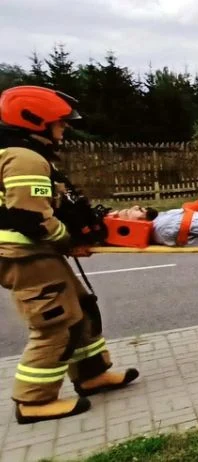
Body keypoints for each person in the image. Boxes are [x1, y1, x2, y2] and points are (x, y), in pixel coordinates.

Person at [0, 85, 138, 424]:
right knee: (54, 323)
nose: (65, 129)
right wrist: (68, 240)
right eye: (60, 123)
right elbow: (31, 216)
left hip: (35, 252)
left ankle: (92, 375)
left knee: (82, 309)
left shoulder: (24, 154)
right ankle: (33, 401)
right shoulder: (24, 158)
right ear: (34, 121)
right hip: (24, 255)